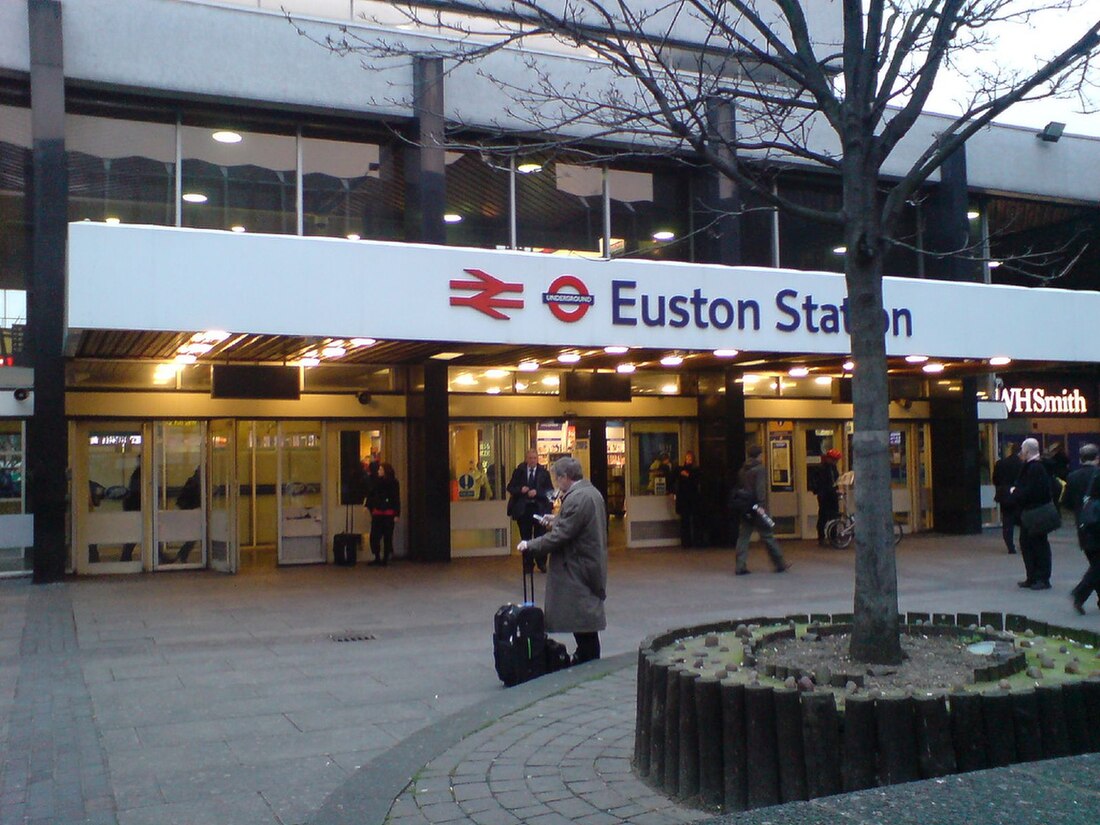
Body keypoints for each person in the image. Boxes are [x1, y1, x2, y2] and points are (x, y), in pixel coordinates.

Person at [518, 457, 607, 665]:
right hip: (586, 563)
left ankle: (587, 661)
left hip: (577, 567)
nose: (556, 484)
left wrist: (530, 545)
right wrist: (555, 520)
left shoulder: (577, 498)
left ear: (565, 477)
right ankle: (587, 657)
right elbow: (574, 524)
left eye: (557, 479)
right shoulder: (591, 493)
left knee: (582, 620)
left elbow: (562, 536)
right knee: (584, 621)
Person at [1006, 437, 1055, 590]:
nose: (1020, 453)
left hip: (1035, 512)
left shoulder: (1035, 468)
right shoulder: (1032, 467)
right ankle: (1032, 576)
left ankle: (1041, 577)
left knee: (1038, 545)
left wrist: (1016, 492)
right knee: (1027, 543)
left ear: (1027, 451)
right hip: (1030, 512)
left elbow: (1031, 490)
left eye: (1022, 450)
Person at [734, 445, 790, 575]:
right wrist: (762, 508)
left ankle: (740, 565)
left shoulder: (742, 470)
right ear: (759, 455)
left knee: (743, 537)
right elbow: (760, 492)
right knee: (768, 535)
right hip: (758, 508)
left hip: (746, 507)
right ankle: (780, 563)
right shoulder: (760, 469)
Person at [1064, 443, 1100, 613]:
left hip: (1084, 526)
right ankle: (1080, 593)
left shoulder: (1072, 477)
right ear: (1097, 458)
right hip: (1097, 526)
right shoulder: (1097, 475)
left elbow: (1067, 503)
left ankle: (1083, 596)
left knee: (1096, 564)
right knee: (1097, 567)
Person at [506, 449, 554, 572]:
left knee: (540, 537)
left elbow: (550, 492)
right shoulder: (519, 472)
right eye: (530, 458)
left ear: (537, 459)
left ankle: (541, 562)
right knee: (525, 538)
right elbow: (510, 487)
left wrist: (537, 493)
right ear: (526, 459)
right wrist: (520, 490)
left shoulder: (544, 473)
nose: (532, 460)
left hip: (539, 509)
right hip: (524, 510)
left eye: (534, 458)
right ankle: (527, 564)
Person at [366, 462, 400, 566]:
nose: (378, 471)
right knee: (375, 536)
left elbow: (396, 499)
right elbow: (371, 494)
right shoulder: (376, 482)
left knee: (387, 536)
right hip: (378, 512)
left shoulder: (393, 483)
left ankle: (384, 558)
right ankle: (377, 556)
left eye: (381, 470)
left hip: (388, 512)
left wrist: (397, 514)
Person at [992, 442, 1023, 555]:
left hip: (1004, 495)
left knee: (1007, 520)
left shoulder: (1000, 463)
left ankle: (1010, 546)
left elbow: (995, 479)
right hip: (1018, 495)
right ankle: (1023, 543)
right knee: (1022, 521)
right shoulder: (1022, 464)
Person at [171, 466, 202, 564]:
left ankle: (183, 553)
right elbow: (192, 497)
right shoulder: (195, 483)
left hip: (189, 511)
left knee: (194, 535)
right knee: (194, 535)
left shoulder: (193, 481)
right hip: (190, 512)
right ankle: (183, 553)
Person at [812, 449, 841, 546]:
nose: (835, 462)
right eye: (834, 459)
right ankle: (821, 537)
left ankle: (833, 536)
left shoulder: (833, 468)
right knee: (823, 516)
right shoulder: (821, 469)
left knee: (834, 516)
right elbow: (820, 482)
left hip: (831, 494)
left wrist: (836, 490)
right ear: (829, 458)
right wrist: (820, 491)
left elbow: (835, 481)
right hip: (825, 495)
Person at [673, 451, 703, 547]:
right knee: (685, 521)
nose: (688, 460)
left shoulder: (695, 470)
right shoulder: (681, 470)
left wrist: (688, 476)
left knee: (694, 520)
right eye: (687, 458)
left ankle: (695, 541)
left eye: (690, 458)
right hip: (685, 498)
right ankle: (686, 542)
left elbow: (696, 480)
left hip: (692, 498)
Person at [120, 464, 141, 562]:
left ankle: (125, 556)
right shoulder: (140, 474)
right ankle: (125, 556)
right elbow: (137, 491)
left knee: (135, 534)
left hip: (134, 507)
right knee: (136, 533)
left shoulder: (137, 473)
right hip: (136, 508)